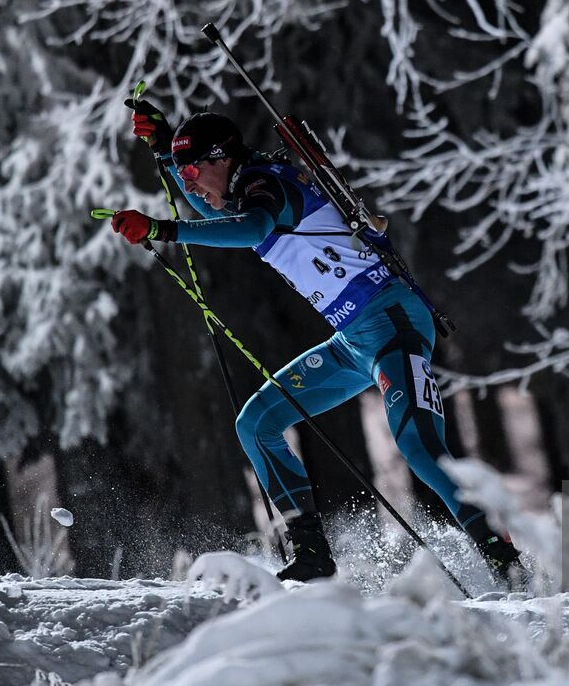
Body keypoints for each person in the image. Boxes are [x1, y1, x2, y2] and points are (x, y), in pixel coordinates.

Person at [110, 103, 524, 586]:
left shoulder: (267, 188)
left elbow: (249, 229)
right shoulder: (246, 191)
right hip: (352, 340)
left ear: (223, 158)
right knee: (256, 424)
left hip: (393, 324)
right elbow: (216, 211)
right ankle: (311, 557)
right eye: (183, 174)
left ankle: (505, 562)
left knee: (418, 445)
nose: (190, 183)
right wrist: (165, 153)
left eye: (193, 171)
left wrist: (161, 228)